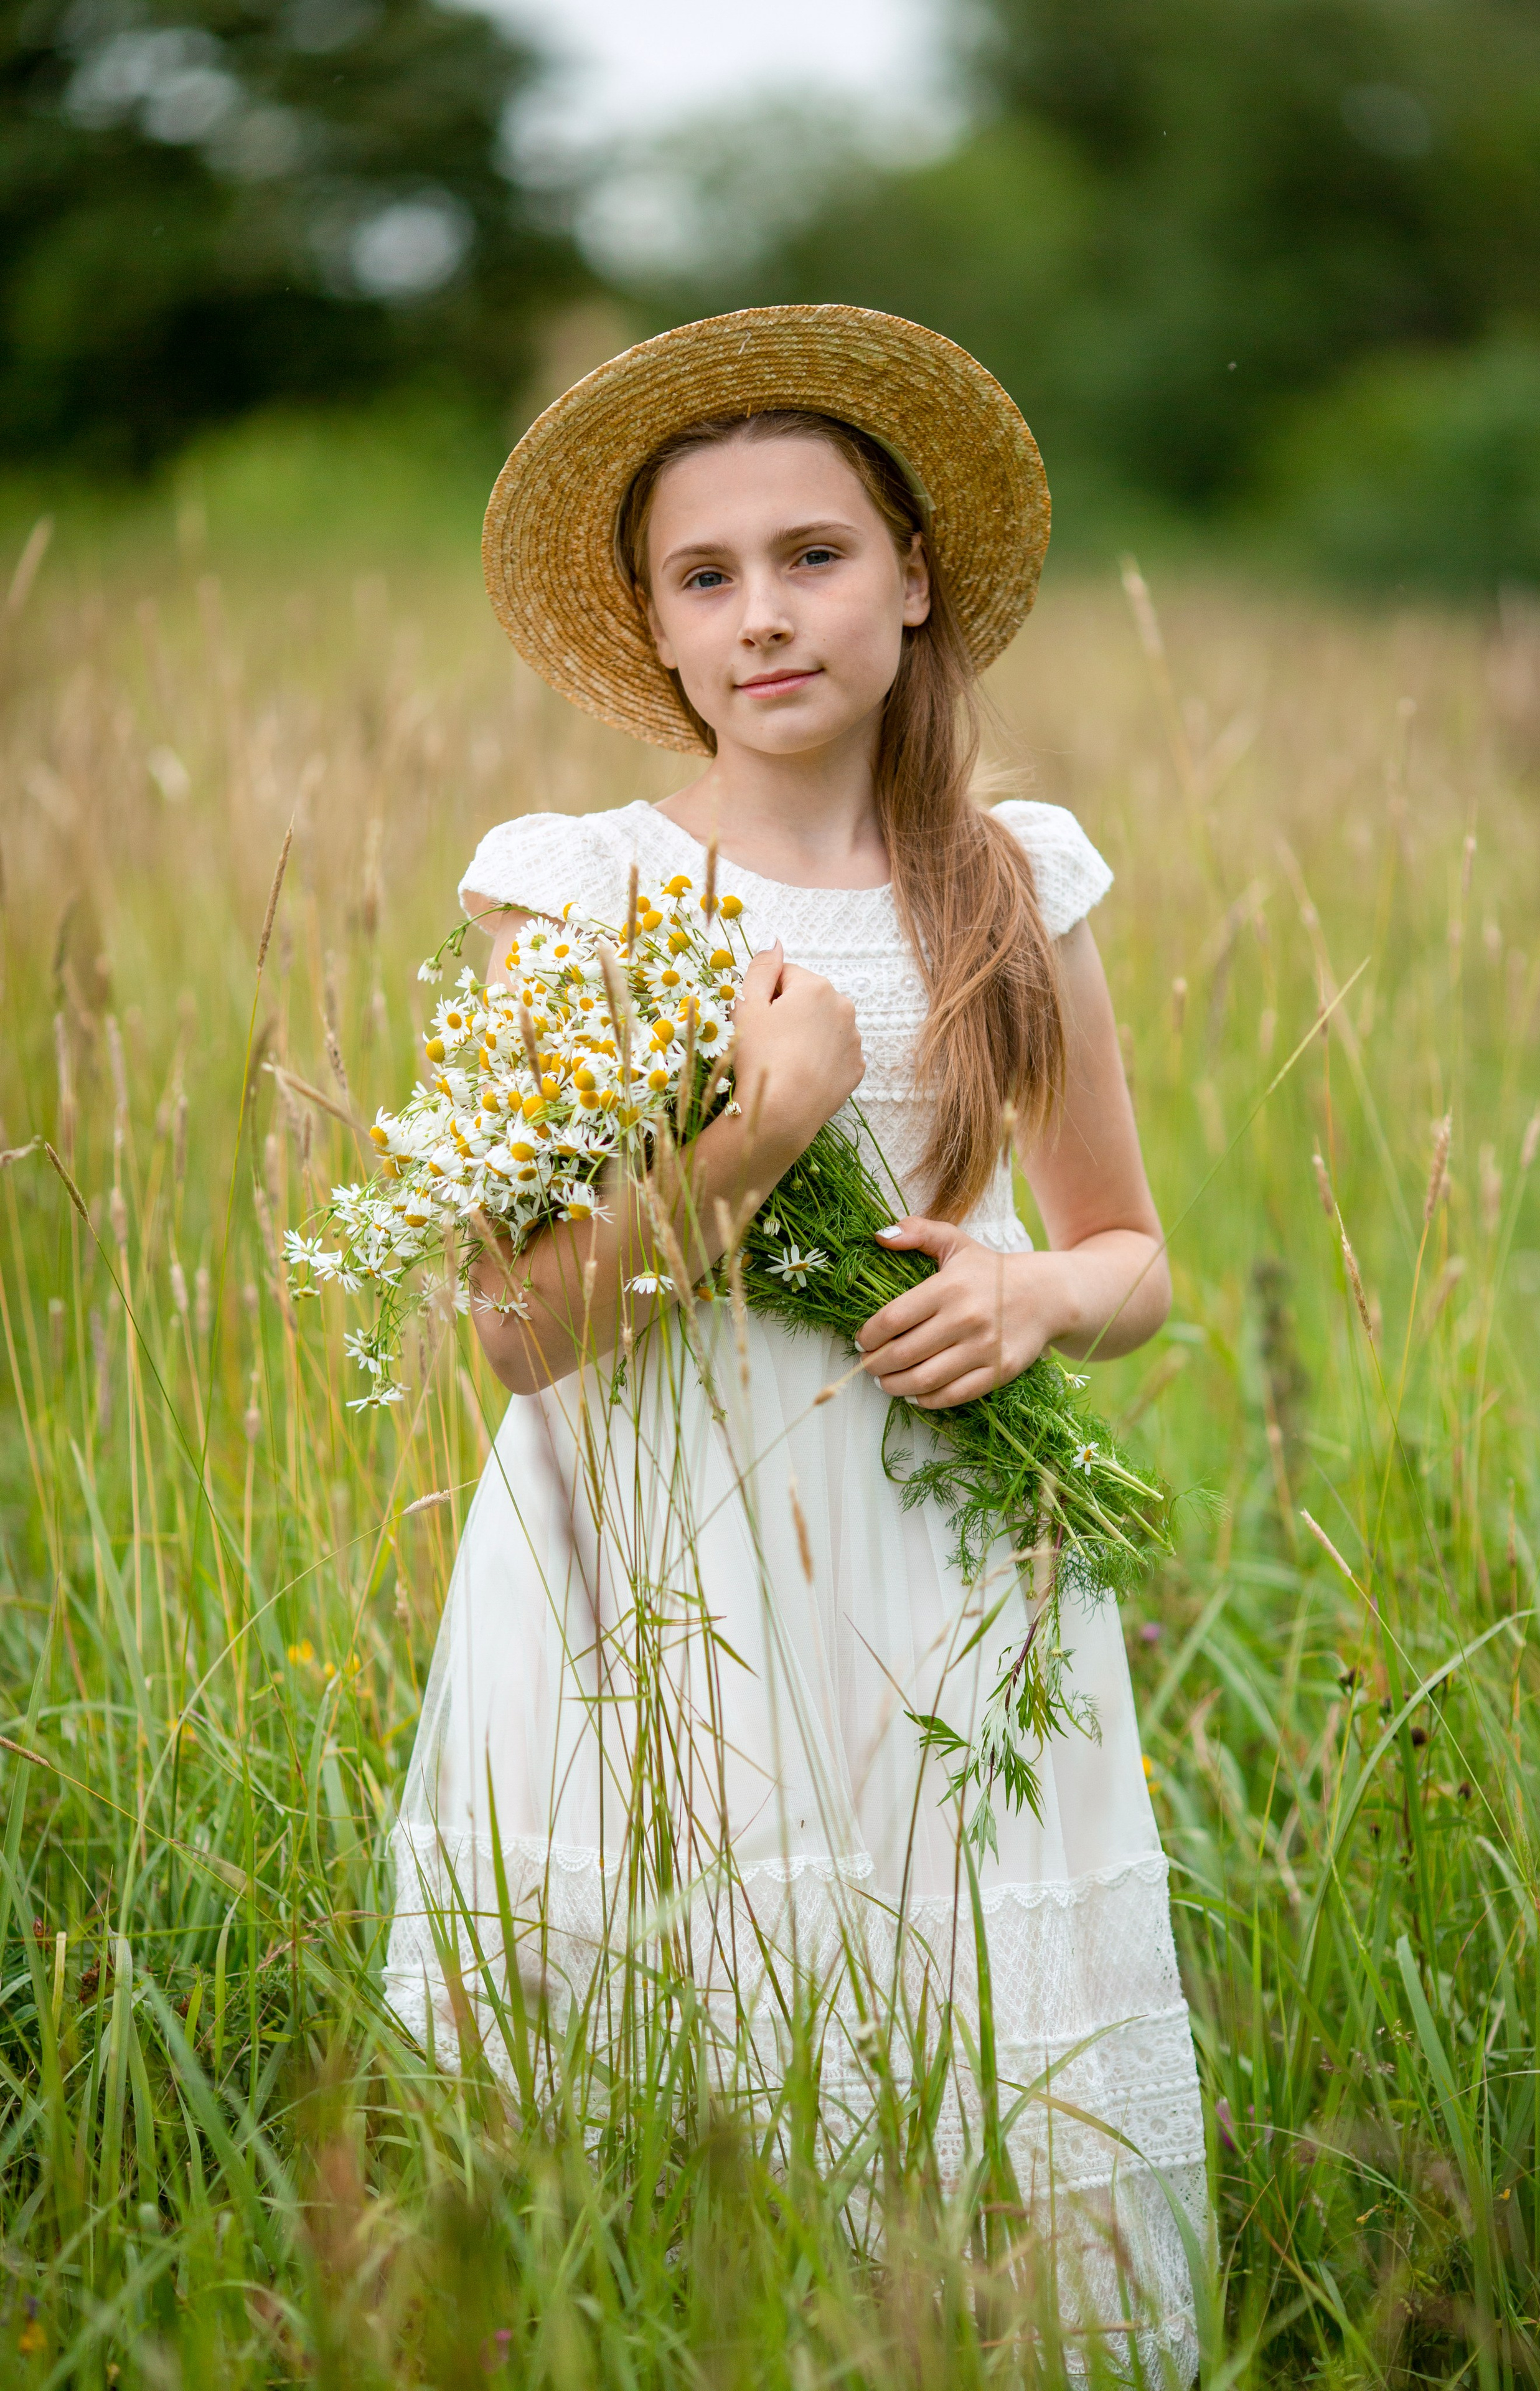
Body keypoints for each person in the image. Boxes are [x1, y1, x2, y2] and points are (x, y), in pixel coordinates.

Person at [385, 305, 1208, 2377]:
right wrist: (757, 1131)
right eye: (708, 575)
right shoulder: (574, 893)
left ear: (915, 581)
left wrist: (1030, 1293)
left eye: (817, 555)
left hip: (945, 1561)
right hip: (654, 1572)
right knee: (678, 2045)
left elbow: (1130, 1257)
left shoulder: (1014, 884)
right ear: (654, 628)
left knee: (965, 2030)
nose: (768, 614)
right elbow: (516, 1327)